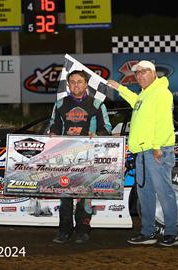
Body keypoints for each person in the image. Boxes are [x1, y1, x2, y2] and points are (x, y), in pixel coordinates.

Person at [107, 60, 178, 247]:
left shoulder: (161, 92)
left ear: (153, 72)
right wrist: (119, 88)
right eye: (137, 73)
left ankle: (172, 232)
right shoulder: (145, 94)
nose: (139, 76)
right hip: (143, 150)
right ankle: (148, 232)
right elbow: (134, 101)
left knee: (164, 192)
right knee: (145, 193)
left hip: (156, 150)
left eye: (143, 72)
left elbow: (163, 122)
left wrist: (156, 147)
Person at [50, 70, 112, 244]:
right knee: (64, 194)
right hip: (65, 156)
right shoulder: (60, 104)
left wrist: (97, 134)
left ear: (86, 85)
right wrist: (53, 133)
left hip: (89, 156)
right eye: (72, 82)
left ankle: (83, 231)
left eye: (79, 81)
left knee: (85, 196)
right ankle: (64, 231)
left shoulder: (97, 104)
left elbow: (107, 127)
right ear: (68, 85)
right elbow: (53, 125)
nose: (76, 84)